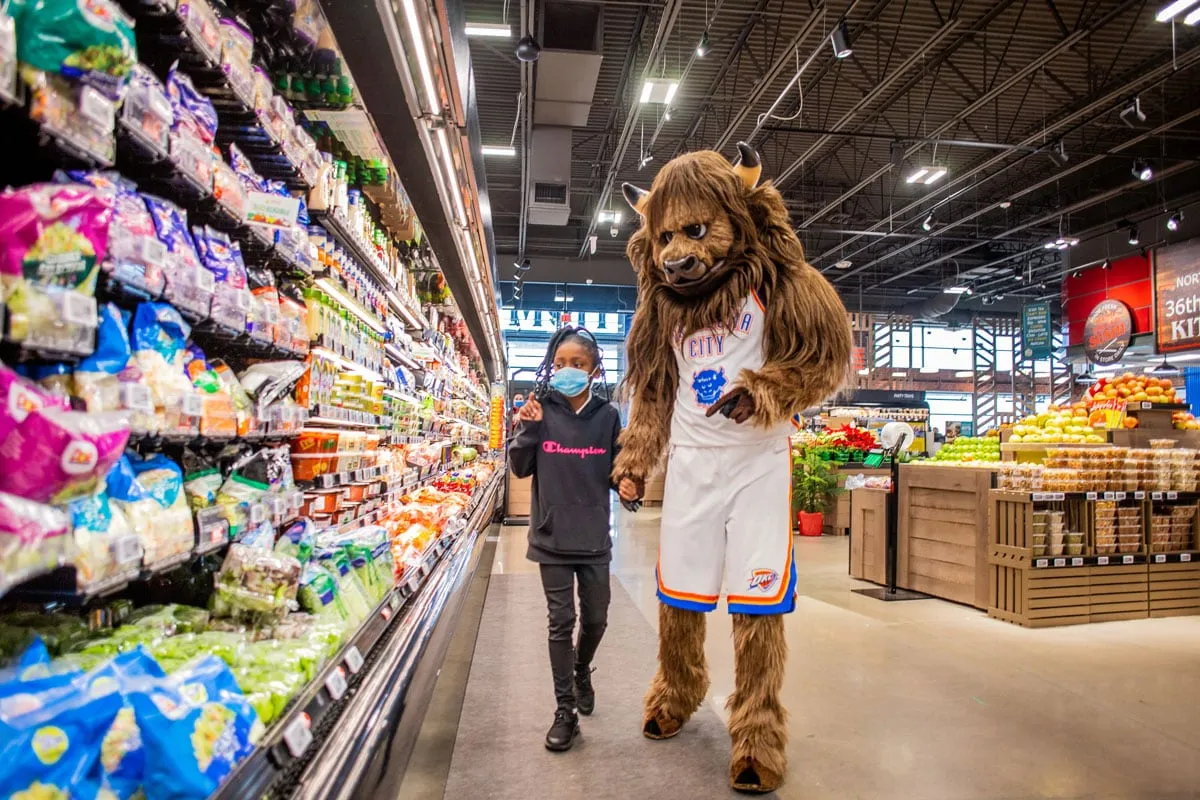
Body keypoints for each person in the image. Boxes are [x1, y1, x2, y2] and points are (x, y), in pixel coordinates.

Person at [509, 327, 641, 752]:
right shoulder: (539, 410)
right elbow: (520, 467)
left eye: (578, 364)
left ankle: (582, 669)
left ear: (594, 369)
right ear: (552, 366)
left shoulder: (607, 417)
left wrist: (628, 485)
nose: (568, 370)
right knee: (560, 622)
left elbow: (617, 471)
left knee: (597, 618)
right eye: (561, 363)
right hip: (550, 535)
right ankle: (565, 711)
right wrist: (527, 429)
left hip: (593, 537)